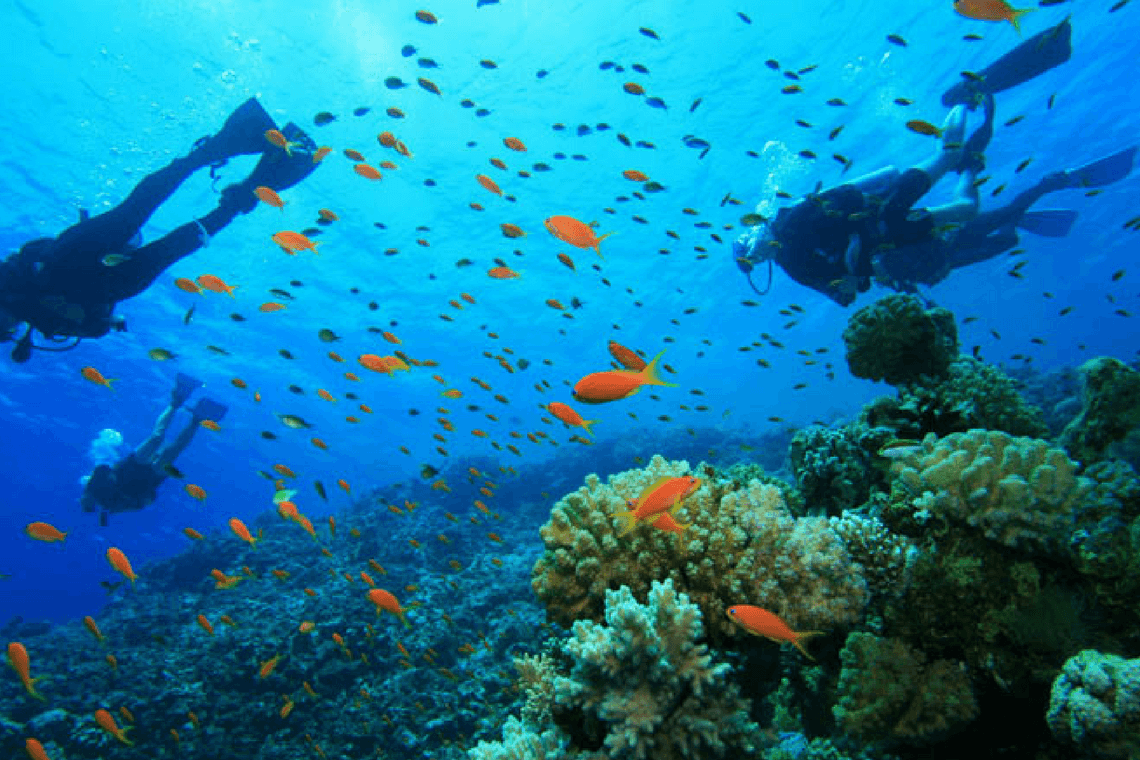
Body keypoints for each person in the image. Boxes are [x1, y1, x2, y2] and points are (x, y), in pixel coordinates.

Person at [731, 17, 1137, 306]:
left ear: (756, 234)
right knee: (966, 208)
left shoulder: (793, 218)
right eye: (753, 260)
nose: (761, 251)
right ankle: (992, 169)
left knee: (948, 157)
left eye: (753, 248)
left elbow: (855, 191)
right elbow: (845, 295)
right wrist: (854, 275)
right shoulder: (793, 268)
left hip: (884, 210)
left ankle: (965, 98)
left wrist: (858, 249)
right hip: (893, 239)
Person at [0, 98, 319, 362]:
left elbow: (33, 254)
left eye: (3, 329)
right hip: (105, 279)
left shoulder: (15, 294)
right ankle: (242, 184)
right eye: (6, 332)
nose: (9, 327)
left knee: (141, 214)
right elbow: (97, 325)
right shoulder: (40, 319)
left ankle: (224, 156)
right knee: (164, 236)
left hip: (78, 261)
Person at [81, 373, 225, 526]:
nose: (88, 503)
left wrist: (95, 488)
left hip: (130, 468)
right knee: (173, 450)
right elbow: (147, 500)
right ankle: (197, 419)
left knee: (156, 438)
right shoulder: (112, 507)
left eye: (85, 502)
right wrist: (129, 503)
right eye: (89, 506)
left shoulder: (93, 488)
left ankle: (177, 400)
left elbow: (102, 468)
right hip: (150, 481)